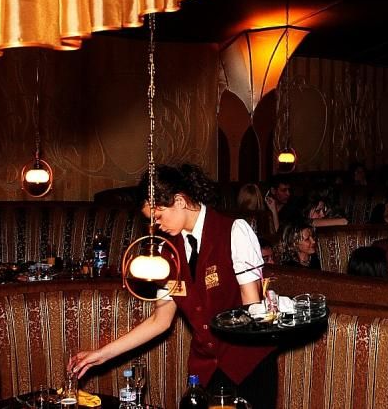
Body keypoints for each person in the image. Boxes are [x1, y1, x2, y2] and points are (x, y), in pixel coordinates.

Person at [69, 164, 276, 408]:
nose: (156, 226)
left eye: (158, 217)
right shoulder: (167, 253)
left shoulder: (234, 231)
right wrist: (101, 355)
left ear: (179, 200)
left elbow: (252, 310)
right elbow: (160, 321)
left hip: (248, 368)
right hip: (205, 372)